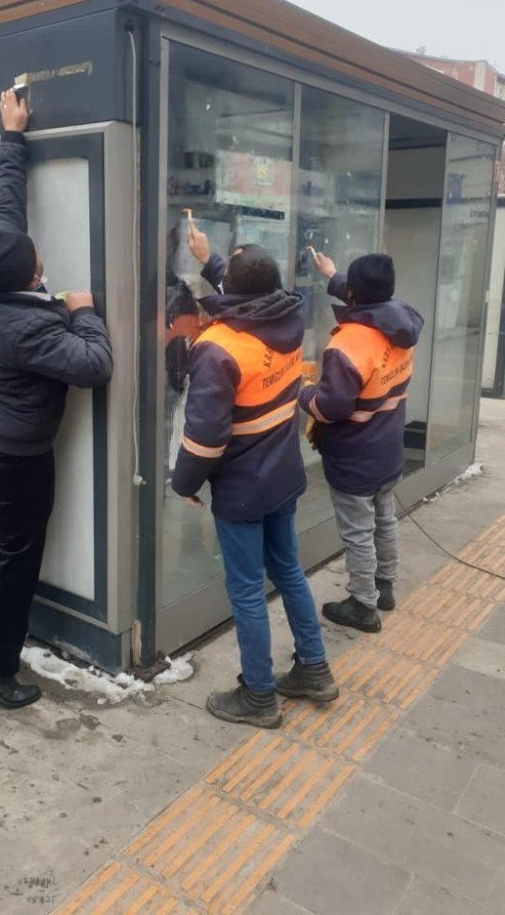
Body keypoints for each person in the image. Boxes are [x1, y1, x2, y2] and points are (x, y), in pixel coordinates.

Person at [0, 89, 113, 710]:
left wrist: (11, 137)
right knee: (18, 558)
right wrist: (85, 312)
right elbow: (94, 366)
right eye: (37, 261)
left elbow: (5, 211)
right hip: (18, 460)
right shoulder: (31, 327)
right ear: (31, 274)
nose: (39, 253)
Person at [173, 223, 338, 729]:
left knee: (246, 590)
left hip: (243, 487)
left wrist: (184, 482)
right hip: (283, 473)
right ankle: (314, 670)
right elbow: (250, 291)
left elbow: (204, 436)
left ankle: (259, 695)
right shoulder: (290, 312)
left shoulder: (217, 347)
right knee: (288, 571)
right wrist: (210, 260)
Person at [299, 251, 423, 633]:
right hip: (388, 448)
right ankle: (384, 586)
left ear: (352, 294)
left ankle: (363, 604)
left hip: (356, 455)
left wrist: (301, 390)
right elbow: (370, 304)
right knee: (384, 519)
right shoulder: (401, 321)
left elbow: (330, 408)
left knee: (357, 531)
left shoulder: (349, 344)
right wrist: (332, 275)